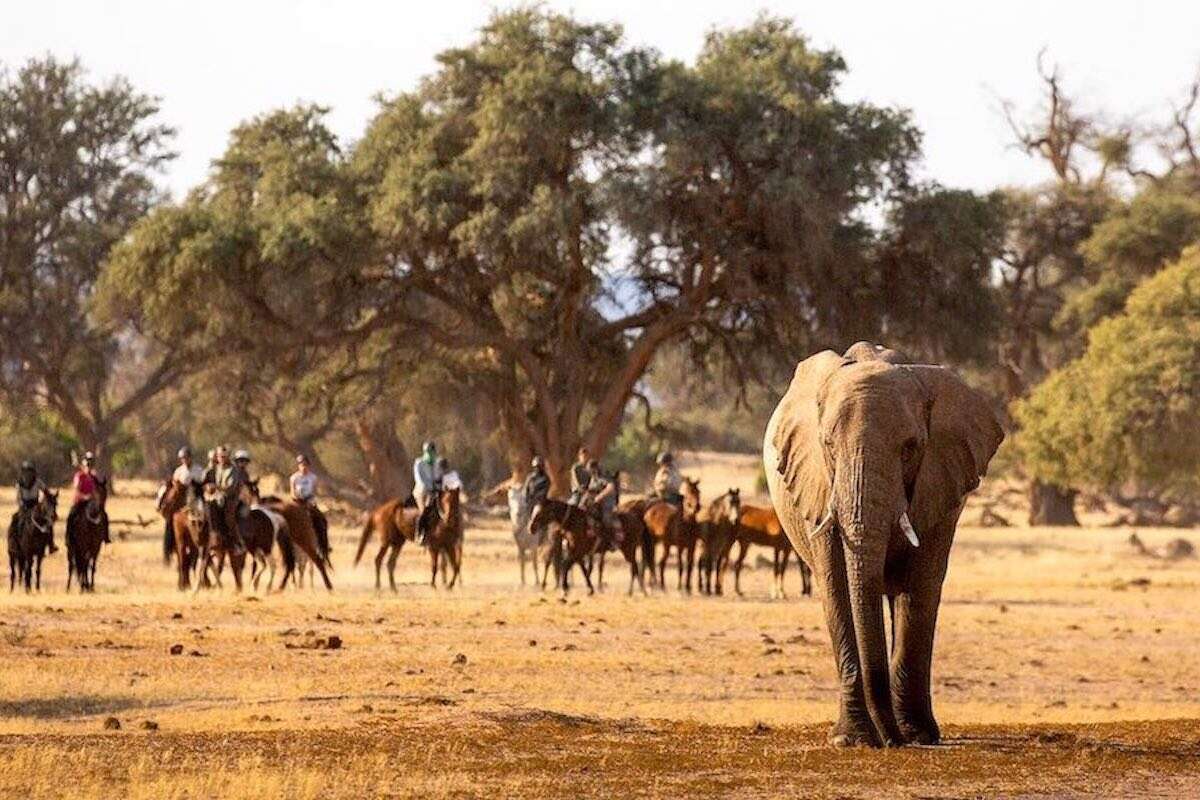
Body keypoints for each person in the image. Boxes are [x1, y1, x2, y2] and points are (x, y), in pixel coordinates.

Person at [9, 461, 56, 553]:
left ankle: (51, 544)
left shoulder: (38, 481)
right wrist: (22, 505)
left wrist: (51, 496)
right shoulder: (19, 483)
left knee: (48, 523)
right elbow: (18, 497)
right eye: (26, 471)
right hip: (24, 506)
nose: (28, 474)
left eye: (30, 471)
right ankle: (14, 543)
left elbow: (46, 491)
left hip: (35, 506)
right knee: (15, 520)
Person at [290, 454, 329, 556]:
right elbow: (292, 492)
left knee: (322, 520)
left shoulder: (313, 477)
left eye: (305, 464)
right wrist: (297, 499)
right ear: (298, 466)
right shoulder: (294, 478)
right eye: (301, 464)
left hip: (309, 502)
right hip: (297, 502)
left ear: (308, 465)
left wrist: (309, 500)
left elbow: (314, 491)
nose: (304, 467)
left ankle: (323, 545)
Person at [68, 451, 109, 544]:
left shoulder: (94, 476)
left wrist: (96, 498)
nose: (89, 466)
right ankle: (69, 539)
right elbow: (77, 490)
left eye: (91, 463)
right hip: (80, 502)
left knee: (104, 515)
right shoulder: (79, 476)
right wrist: (85, 496)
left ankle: (105, 536)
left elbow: (95, 490)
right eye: (88, 463)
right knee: (71, 516)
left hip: (91, 502)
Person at [583, 459, 622, 547]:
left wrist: (599, 497)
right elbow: (591, 490)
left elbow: (610, 488)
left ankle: (613, 540)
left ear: (596, 468)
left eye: (591, 470)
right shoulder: (593, 478)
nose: (590, 472)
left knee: (606, 518)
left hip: (607, 502)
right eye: (589, 471)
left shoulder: (605, 476)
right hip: (595, 503)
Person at [413, 441, 444, 543]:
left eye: (432, 451)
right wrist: (430, 487)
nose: (430, 454)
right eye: (428, 451)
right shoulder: (419, 463)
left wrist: (440, 485)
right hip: (422, 491)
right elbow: (419, 479)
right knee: (425, 509)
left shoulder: (437, 463)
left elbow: (439, 477)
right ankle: (420, 533)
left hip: (435, 490)